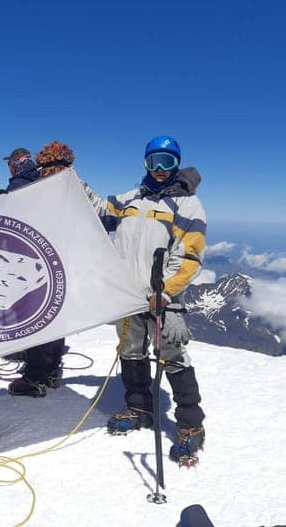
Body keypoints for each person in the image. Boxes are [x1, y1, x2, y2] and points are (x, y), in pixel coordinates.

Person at [87, 135, 207, 463]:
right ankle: (138, 407)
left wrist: (166, 293)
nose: (159, 169)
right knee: (130, 352)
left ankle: (191, 425)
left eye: (166, 162)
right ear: (145, 163)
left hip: (160, 298)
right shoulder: (130, 199)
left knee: (172, 356)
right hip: (128, 295)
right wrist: (69, 178)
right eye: (153, 161)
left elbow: (189, 257)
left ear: (176, 165)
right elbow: (97, 209)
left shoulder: (187, 205)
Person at [3, 144, 70, 398]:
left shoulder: (19, 185)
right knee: (53, 312)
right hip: (58, 257)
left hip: (30, 259)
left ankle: (34, 376)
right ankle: (52, 370)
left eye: (10, 162)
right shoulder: (53, 183)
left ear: (17, 163)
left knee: (34, 316)